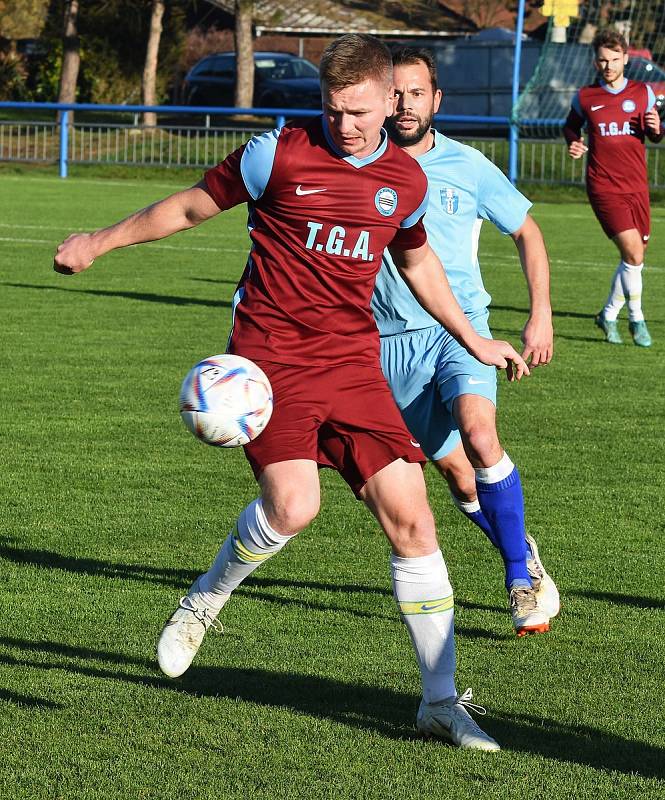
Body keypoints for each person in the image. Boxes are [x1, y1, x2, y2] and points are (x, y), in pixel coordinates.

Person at [53, 34, 530, 751]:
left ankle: (437, 702)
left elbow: (419, 261)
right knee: (294, 507)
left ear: (391, 100)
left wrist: (472, 339)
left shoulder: (404, 180)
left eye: (360, 111)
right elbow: (186, 208)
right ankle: (204, 599)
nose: (345, 125)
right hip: (268, 361)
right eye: (333, 110)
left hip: (351, 363)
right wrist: (98, 240)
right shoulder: (275, 154)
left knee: (414, 523)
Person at [372, 46, 560, 636]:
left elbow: (527, 231)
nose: (405, 105)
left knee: (481, 436)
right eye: (395, 93)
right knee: (456, 475)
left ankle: (519, 579)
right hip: (386, 345)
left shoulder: (469, 166)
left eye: (417, 93)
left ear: (437, 99)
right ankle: (520, 544)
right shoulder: (357, 166)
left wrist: (541, 313)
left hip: (463, 332)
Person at [563, 29, 663, 347]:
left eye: (614, 59)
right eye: (603, 60)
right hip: (604, 186)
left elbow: (656, 134)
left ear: (626, 58)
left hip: (637, 186)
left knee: (636, 258)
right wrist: (574, 142)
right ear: (596, 62)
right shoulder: (586, 97)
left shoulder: (643, 93)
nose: (608, 66)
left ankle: (607, 314)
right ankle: (636, 318)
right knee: (632, 252)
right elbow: (569, 126)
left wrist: (658, 129)